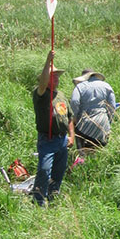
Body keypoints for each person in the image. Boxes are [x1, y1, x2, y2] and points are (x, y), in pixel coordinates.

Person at [31, 50, 75, 206]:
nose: (56, 78)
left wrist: (72, 136)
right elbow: (42, 84)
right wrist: (47, 60)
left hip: (62, 139)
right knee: (44, 169)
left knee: (58, 171)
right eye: (52, 75)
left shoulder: (61, 95)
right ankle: (38, 199)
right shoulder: (41, 94)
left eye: (57, 75)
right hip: (47, 139)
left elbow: (69, 117)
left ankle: (53, 197)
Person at [70, 70, 116, 156]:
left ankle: (82, 157)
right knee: (101, 149)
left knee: (82, 143)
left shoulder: (80, 87)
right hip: (103, 122)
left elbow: (74, 101)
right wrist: (109, 121)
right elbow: (112, 106)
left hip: (85, 123)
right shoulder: (106, 86)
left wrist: (75, 116)